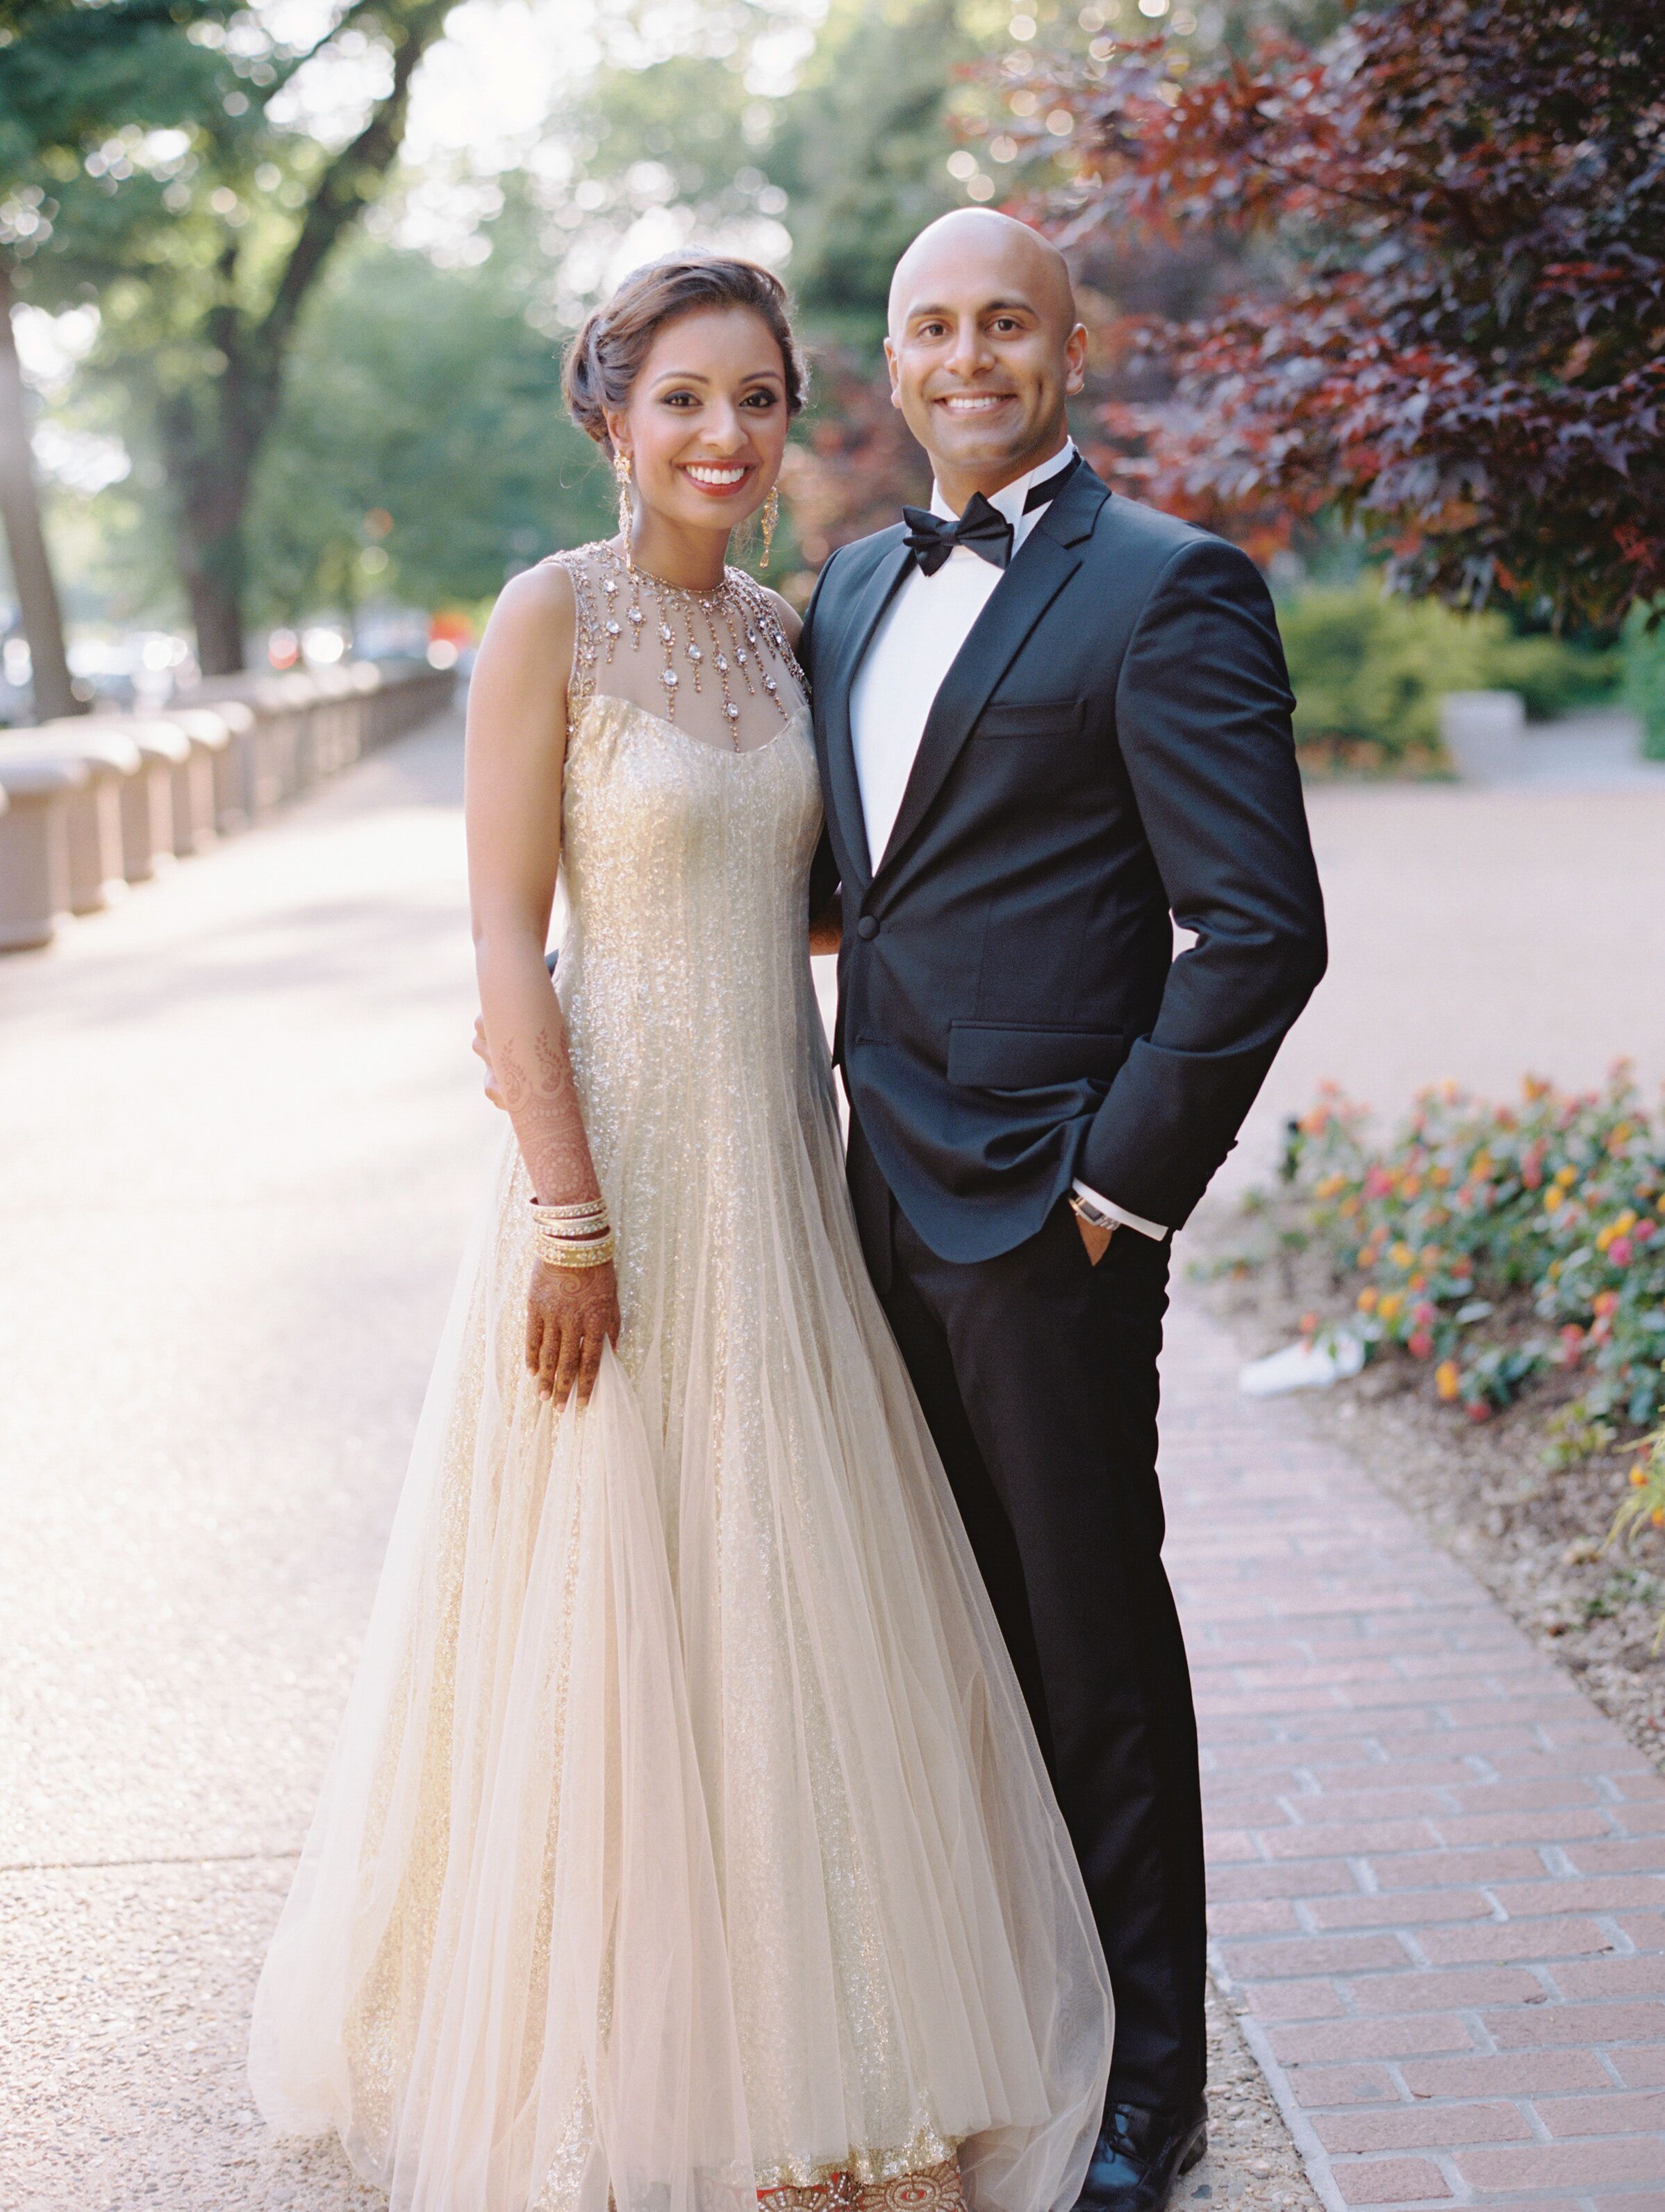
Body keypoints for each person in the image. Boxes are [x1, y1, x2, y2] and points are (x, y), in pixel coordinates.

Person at [248, 251, 1112, 2212]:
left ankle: (839, 2060)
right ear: (609, 418)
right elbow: (503, 940)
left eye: (759, 399)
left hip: (778, 1170)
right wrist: (566, 1215)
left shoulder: (795, 634)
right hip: (616, 1175)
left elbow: (815, 900)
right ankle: (636, 2059)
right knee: (610, 1613)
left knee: (785, 1604)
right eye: (685, 400)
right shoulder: (549, 625)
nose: (727, 436)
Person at [797, 211, 1327, 2212]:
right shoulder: (849, 587)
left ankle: (1151, 2092)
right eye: (931, 324)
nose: (965, 356)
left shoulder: (1170, 589)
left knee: (1094, 1642)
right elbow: (853, 882)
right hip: (866, 1198)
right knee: (940, 1634)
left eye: (1003, 321)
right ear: (894, 353)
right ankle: (1013, 2013)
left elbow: (1259, 927)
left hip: (1052, 1222)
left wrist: (1120, 1188)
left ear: (1069, 342)